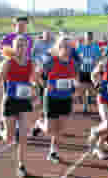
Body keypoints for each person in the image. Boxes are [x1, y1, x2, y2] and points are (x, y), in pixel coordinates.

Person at [0, 35, 35, 178]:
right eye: (19, 46)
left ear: (27, 48)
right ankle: (2, 132)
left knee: (23, 136)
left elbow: (34, 78)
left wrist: (38, 86)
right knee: (9, 138)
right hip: (10, 101)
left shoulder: (30, 62)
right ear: (14, 47)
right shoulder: (8, 62)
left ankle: (21, 166)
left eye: (24, 45)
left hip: (24, 101)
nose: (21, 48)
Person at [36, 35, 79, 163]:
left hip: (66, 99)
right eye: (64, 46)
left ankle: (53, 152)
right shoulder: (51, 62)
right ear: (58, 48)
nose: (67, 49)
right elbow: (37, 74)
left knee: (61, 129)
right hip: (51, 98)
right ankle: (39, 123)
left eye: (69, 46)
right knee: (50, 129)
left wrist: (75, 88)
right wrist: (45, 85)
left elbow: (76, 79)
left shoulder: (73, 63)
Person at [0, 16, 34, 143]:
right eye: (19, 24)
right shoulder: (8, 37)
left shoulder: (29, 39)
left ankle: (18, 126)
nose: (22, 26)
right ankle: (3, 120)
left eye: (24, 25)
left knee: (23, 97)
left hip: (24, 71)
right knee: (8, 95)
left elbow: (30, 54)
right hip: (11, 70)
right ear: (15, 25)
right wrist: (5, 61)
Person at [76, 32, 101, 113]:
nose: (89, 39)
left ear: (92, 38)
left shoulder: (96, 48)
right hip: (83, 71)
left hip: (92, 72)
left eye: (90, 38)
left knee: (92, 90)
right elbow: (76, 58)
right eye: (87, 38)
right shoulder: (80, 47)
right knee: (82, 89)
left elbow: (98, 59)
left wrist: (97, 69)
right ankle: (85, 106)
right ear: (85, 38)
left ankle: (96, 104)